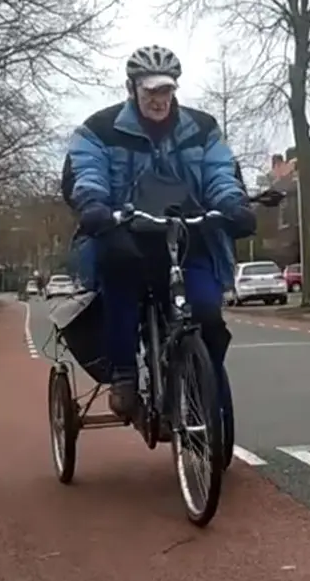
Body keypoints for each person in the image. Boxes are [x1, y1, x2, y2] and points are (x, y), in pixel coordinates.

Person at [62, 45, 255, 431]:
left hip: (187, 236)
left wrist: (232, 205)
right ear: (132, 88)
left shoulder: (202, 129)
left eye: (165, 90)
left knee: (206, 313)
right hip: (125, 236)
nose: (158, 99)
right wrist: (95, 205)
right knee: (120, 288)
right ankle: (124, 374)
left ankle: (204, 395)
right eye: (150, 90)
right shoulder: (99, 130)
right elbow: (87, 172)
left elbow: (219, 173)